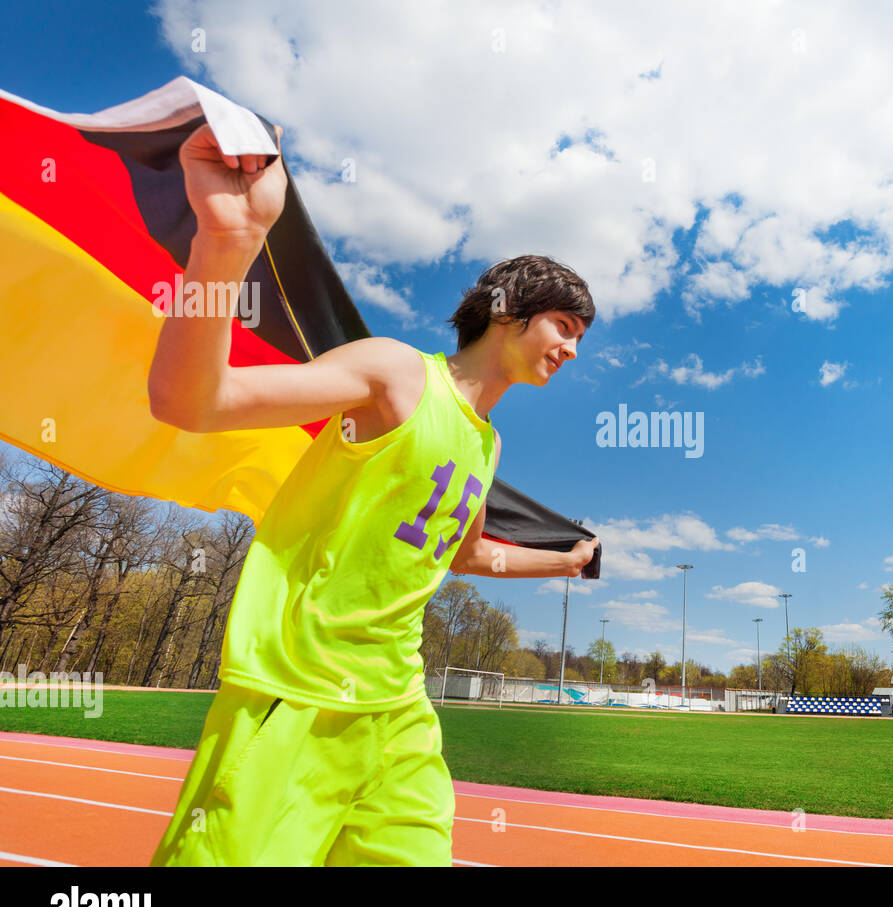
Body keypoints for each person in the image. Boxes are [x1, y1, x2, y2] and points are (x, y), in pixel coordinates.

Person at [147, 122, 599, 866]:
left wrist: (567, 563)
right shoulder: (396, 375)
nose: (573, 347)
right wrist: (228, 243)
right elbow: (191, 402)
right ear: (507, 305)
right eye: (564, 324)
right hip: (299, 691)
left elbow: (466, 554)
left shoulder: (486, 443)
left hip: (398, 713)